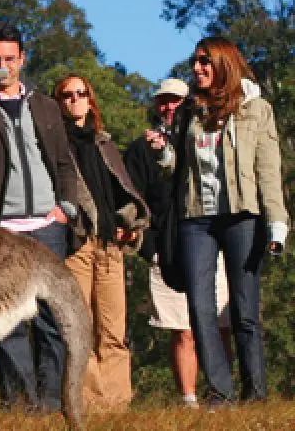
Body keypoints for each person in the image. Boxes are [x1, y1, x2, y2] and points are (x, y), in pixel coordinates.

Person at [146, 36, 288, 409]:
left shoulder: (257, 109)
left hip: (243, 216)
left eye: (204, 62)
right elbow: (179, 170)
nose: (197, 69)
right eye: (195, 62)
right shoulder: (192, 110)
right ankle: (220, 393)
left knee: (243, 307)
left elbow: (268, 170)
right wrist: (163, 153)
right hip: (197, 219)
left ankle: (255, 393)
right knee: (199, 305)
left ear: (224, 63)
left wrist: (276, 224)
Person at [0, 23, 79, 413]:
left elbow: (62, 161)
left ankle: (54, 403)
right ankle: (21, 404)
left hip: (47, 226)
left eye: (10, 59)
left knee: (52, 321)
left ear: (22, 59)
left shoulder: (44, 105)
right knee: (6, 325)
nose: (3, 66)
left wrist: (65, 209)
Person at [124, 78, 233, 409]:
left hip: (212, 243)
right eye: (163, 101)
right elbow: (131, 199)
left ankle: (223, 394)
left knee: (219, 325)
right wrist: (149, 247)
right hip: (167, 251)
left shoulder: (207, 139)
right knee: (182, 330)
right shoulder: (140, 149)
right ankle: (189, 400)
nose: (168, 107)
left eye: (175, 101)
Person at [53, 74, 150, 413]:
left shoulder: (103, 142)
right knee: (82, 327)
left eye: (81, 93)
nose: (75, 99)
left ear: (90, 99)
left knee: (113, 330)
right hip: (78, 245)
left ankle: (118, 404)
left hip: (110, 246)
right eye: (67, 95)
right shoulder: (56, 147)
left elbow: (121, 190)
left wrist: (130, 223)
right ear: (59, 102)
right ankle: (91, 404)